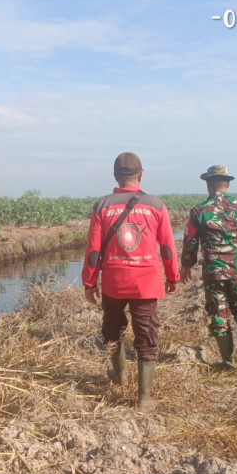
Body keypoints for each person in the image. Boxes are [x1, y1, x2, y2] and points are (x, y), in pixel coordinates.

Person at [82, 152, 179, 411]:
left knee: (113, 329)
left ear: (115, 176)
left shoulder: (102, 206)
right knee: (146, 336)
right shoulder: (157, 205)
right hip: (146, 284)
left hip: (114, 282)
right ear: (141, 175)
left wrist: (89, 282)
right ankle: (144, 398)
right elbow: (168, 248)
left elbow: (93, 252)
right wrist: (172, 277)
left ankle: (120, 373)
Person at [180, 165, 237, 369]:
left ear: (208, 184)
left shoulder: (198, 211)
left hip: (213, 273)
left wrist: (186, 266)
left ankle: (228, 361)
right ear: (228, 184)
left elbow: (190, 242)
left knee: (218, 315)